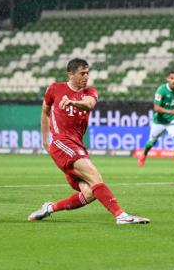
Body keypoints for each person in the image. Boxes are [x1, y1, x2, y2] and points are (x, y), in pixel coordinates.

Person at [28, 58, 150, 224]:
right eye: (82, 73)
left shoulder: (89, 91)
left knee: (90, 193)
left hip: (77, 145)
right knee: (95, 177)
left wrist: (72, 102)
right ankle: (121, 216)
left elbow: (90, 104)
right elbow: (45, 112)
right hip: (62, 143)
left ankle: (49, 208)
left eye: (87, 73)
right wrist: (45, 141)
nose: (86, 77)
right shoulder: (55, 89)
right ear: (70, 74)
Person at [137, 70, 174, 176]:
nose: (173, 80)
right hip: (159, 121)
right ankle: (144, 154)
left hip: (172, 120)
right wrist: (171, 111)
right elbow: (156, 108)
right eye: (171, 78)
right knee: (151, 142)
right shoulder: (161, 90)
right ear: (167, 79)